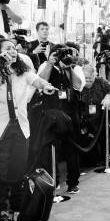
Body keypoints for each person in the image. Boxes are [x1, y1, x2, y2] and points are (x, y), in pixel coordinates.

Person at [0, 39, 56, 221]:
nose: (13, 50)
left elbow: (36, 80)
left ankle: (18, 206)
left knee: (18, 169)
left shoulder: (22, 71)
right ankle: (2, 210)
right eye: (8, 48)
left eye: (14, 48)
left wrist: (45, 86)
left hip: (21, 127)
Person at [36, 43, 86, 193]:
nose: (61, 57)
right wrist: (51, 63)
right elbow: (40, 82)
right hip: (52, 115)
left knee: (72, 150)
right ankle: (54, 181)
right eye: (59, 54)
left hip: (70, 114)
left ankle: (73, 183)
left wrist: (68, 67)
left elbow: (78, 85)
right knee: (52, 151)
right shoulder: (45, 66)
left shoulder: (72, 67)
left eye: (64, 54)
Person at [79, 65, 110, 168]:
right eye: (86, 78)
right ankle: (89, 162)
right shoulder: (78, 83)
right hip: (85, 118)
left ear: (95, 75)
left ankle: (105, 160)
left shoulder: (100, 81)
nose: (88, 80)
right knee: (87, 140)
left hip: (100, 116)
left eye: (91, 77)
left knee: (104, 138)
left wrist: (107, 98)